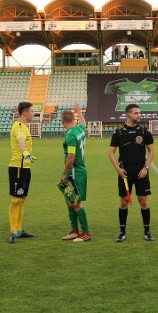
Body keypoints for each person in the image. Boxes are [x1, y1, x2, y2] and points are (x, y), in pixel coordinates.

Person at [108, 103, 155, 242]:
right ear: (128, 114)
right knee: (123, 202)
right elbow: (111, 153)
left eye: (139, 113)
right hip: (125, 172)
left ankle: (147, 231)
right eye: (136, 113)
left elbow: (151, 151)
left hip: (141, 171)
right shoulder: (119, 132)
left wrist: (145, 168)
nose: (139, 115)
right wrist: (118, 169)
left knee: (143, 201)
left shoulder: (144, 131)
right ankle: (122, 233)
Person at [59, 103, 91, 242]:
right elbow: (83, 123)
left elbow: (71, 157)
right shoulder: (79, 129)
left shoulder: (70, 136)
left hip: (74, 172)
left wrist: (64, 174)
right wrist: (79, 111)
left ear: (62, 121)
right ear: (74, 119)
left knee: (76, 202)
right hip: (78, 170)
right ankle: (74, 231)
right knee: (69, 200)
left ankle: (85, 233)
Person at [8, 102, 37, 243]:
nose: (34, 114)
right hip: (17, 168)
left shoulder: (24, 127)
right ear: (25, 113)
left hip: (25, 168)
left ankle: (19, 229)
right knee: (16, 200)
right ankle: (13, 232)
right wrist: (25, 153)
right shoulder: (19, 127)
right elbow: (21, 142)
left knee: (22, 199)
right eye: (32, 111)